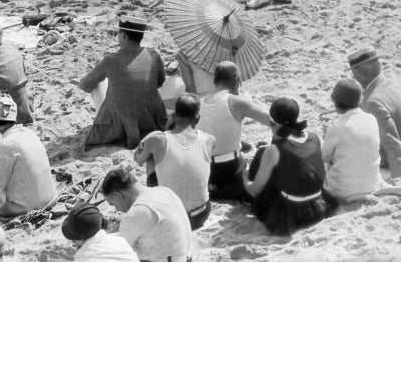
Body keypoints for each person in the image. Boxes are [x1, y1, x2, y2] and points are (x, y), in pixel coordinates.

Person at [243, 97, 333, 236]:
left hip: (293, 213)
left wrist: (244, 175)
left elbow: (254, 190)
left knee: (259, 182)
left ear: (272, 122)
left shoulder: (273, 150)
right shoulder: (314, 137)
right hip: (319, 205)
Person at [80, 16, 167, 148]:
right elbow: (160, 83)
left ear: (125, 36)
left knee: (98, 84)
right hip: (151, 122)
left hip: (121, 127)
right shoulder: (154, 56)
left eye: (119, 33)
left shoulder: (111, 60)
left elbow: (85, 85)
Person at [134, 94, 215, 230]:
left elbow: (137, 159)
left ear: (173, 116)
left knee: (151, 155)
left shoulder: (157, 139)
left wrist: (149, 140)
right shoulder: (209, 140)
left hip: (172, 217)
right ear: (198, 118)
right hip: (201, 215)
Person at [196, 62, 272, 201]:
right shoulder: (236, 102)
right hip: (229, 169)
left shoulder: (199, 103)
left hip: (205, 169)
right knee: (261, 155)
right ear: (236, 80)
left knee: (242, 146)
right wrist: (256, 104)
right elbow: (270, 120)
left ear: (215, 80)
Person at [347, 49, 401, 183]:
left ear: (363, 75)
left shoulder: (374, 103)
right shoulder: (390, 82)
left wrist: (398, 176)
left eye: (354, 74)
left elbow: (391, 141)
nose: (353, 78)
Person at [0, 94, 56, 217]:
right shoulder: (27, 132)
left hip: (25, 208)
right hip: (50, 198)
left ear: (0, 119)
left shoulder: (5, 145)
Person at [100, 163, 193, 262]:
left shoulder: (136, 212)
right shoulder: (164, 190)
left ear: (117, 195)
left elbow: (119, 252)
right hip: (187, 258)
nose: (117, 209)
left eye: (113, 204)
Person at [320, 78, 383, 203]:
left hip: (341, 191)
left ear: (335, 101)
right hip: (372, 185)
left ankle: (348, 197)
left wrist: (325, 137)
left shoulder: (337, 127)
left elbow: (323, 158)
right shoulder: (371, 119)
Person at [61, 204, 138, 261]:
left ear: (79, 239)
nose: (72, 242)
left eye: (73, 238)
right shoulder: (120, 241)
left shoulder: (82, 258)